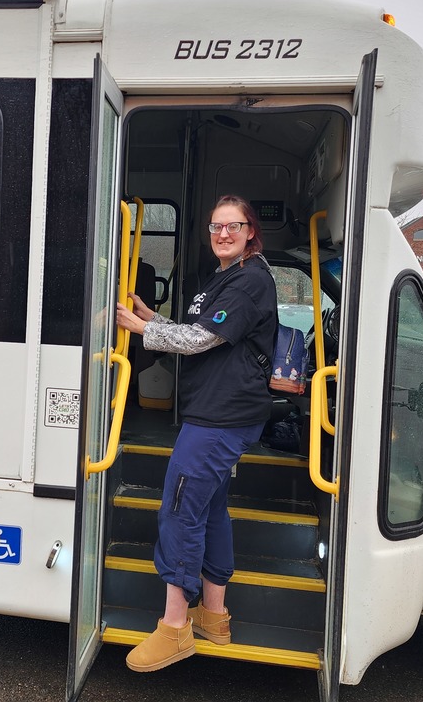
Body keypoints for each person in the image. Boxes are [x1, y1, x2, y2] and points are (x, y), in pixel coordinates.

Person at [115, 195, 277, 672]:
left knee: (180, 511)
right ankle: (214, 615)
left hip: (219, 419)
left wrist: (138, 329)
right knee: (209, 510)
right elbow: (201, 332)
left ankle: (175, 628)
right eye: (215, 227)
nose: (223, 234)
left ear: (250, 231)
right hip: (220, 413)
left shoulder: (249, 280)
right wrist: (153, 319)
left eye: (233, 226)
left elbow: (200, 340)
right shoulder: (226, 276)